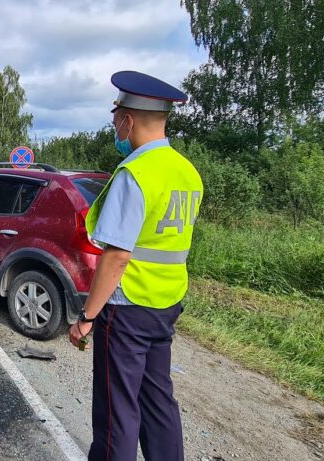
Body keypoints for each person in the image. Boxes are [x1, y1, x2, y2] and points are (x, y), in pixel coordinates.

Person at [68, 71, 203, 461]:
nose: (115, 127)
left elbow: (117, 255)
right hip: (166, 303)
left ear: (128, 119)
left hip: (126, 309)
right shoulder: (187, 172)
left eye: (116, 119)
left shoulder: (135, 173)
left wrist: (87, 317)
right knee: (159, 399)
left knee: (116, 410)